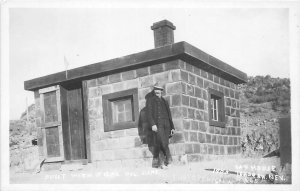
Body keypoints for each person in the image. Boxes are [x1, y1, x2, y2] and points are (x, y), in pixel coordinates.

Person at [146, 82, 175, 169]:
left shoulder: (164, 101)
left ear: (161, 91)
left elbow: (169, 115)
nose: (157, 91)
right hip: (158, 125)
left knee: (165, 142)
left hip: (166, 125)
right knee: (162, 142)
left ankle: (164, 162)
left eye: (159, 89)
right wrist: (153, 124)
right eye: (155, 89)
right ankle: (167, 161)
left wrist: (172, 127)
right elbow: (149, 114)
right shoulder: (150, 101)